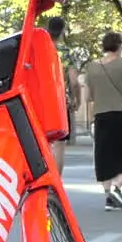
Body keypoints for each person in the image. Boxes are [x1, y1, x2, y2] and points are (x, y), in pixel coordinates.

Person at [82, 31, 122, 210]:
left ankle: (108, 197)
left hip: (101, 116)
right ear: (119, 46)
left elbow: (88, 97)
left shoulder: (91, 67)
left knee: (104, 157)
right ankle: (117, 188)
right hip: (121, 115)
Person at [46, 16, 81, 174]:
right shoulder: (66, 53)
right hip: (60, 102)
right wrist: (76, 100)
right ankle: (55, 184)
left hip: (39, 101)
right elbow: (74, 81)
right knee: (59, 144)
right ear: (62, 31)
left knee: (42, 143)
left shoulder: (39, 49)